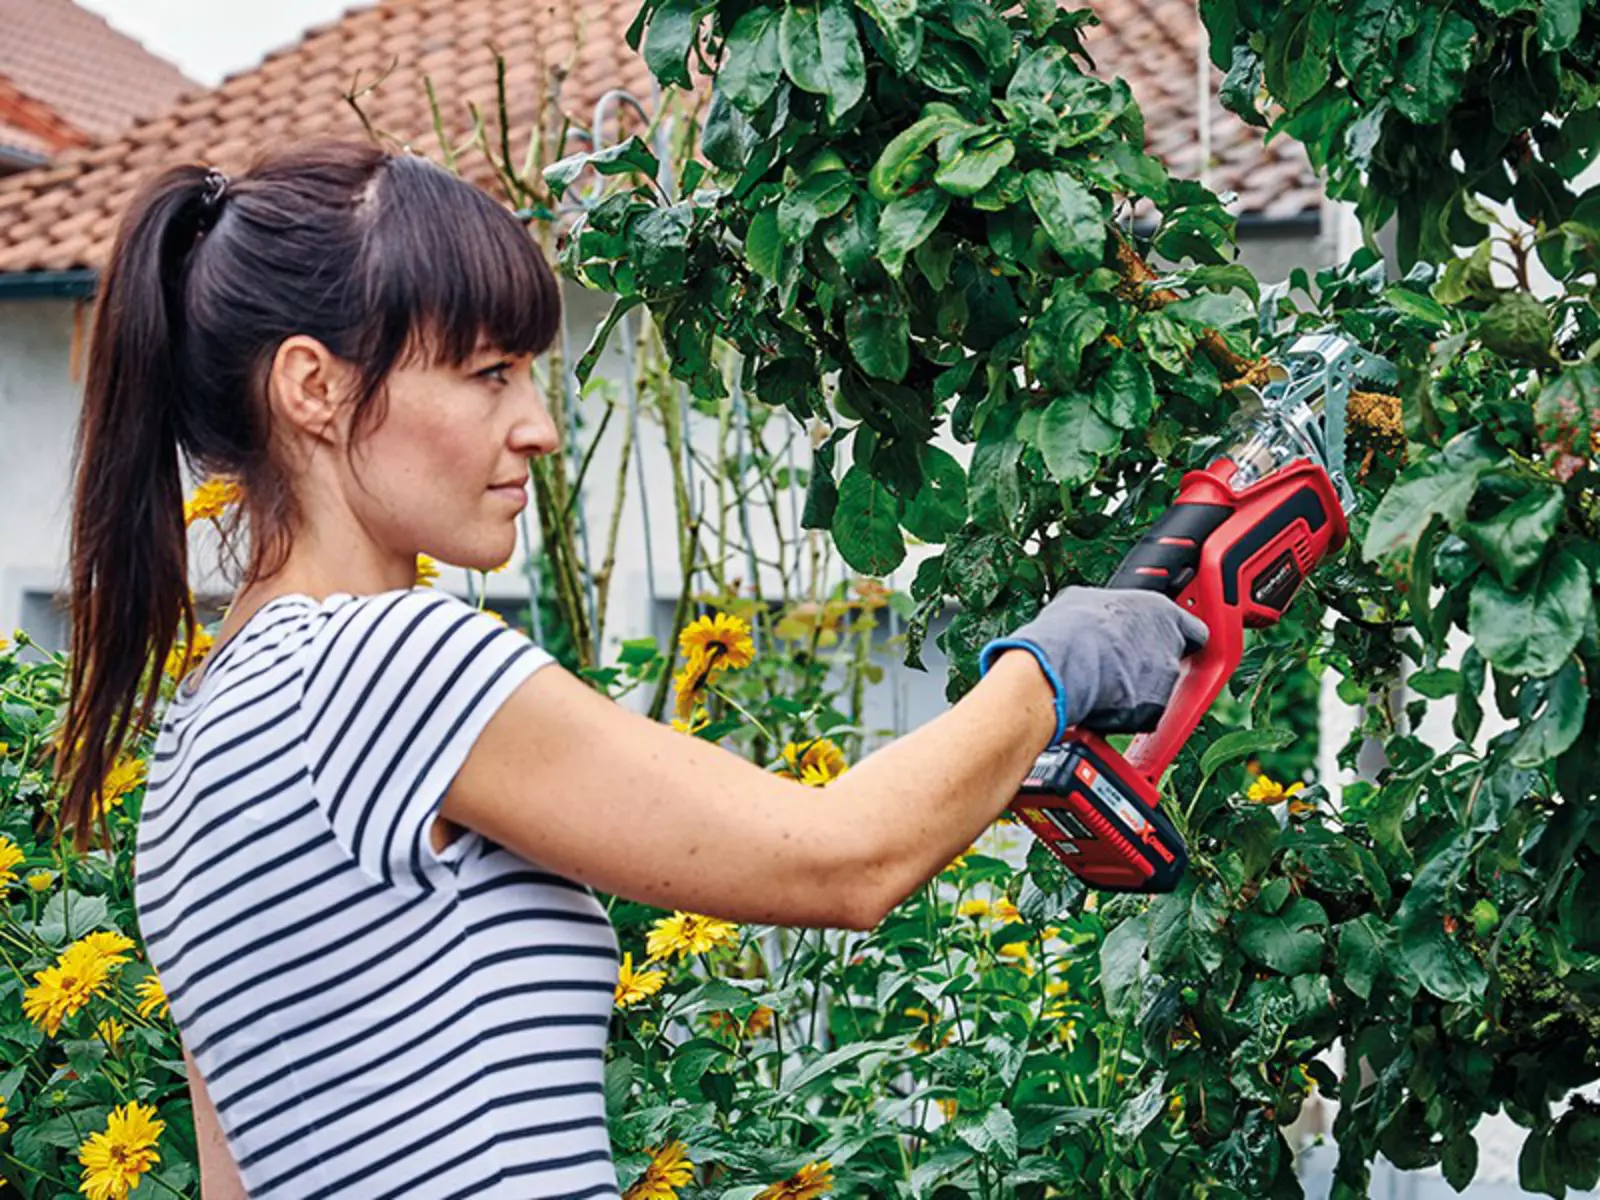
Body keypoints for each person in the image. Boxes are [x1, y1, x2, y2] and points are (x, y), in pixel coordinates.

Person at [51, 139, 1206, 1199]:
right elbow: (844, 860)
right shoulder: (381, 660)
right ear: (314, 388)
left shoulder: (205, 730)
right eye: (488, 373)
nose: (538, 424)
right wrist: (1053, 669)